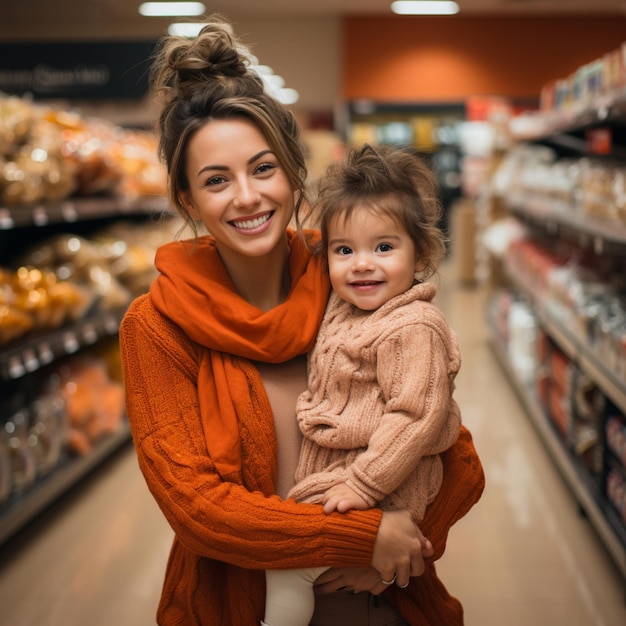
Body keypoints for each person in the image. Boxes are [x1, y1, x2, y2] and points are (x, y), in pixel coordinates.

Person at [119, 15, 485, 626]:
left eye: (263, 169)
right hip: (236, 607)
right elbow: (199, 509)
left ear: (293, 173)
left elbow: (456, 458)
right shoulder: (157, 327)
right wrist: (361, 537)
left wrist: (401, 548)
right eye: (216, 180)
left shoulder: (353, 281)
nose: (246, 197)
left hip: (378, 602)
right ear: (188, 200)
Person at [263, 144, 464, 626]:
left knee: (286, 570)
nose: (362, 264)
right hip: (348, 479)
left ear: (421, 253)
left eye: (384, 247)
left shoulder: (413, 325)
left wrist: (364, 482)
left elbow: (415, 415)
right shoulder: (344, 308)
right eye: (344, 250)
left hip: (381, 485)